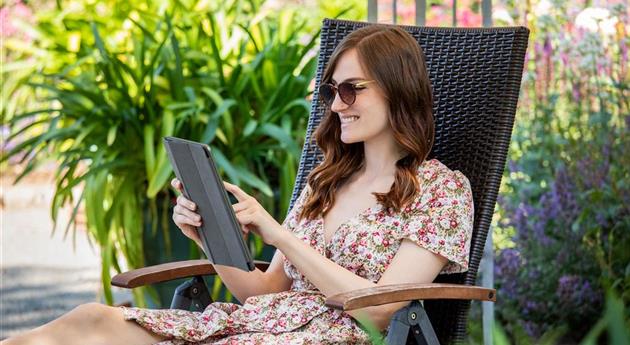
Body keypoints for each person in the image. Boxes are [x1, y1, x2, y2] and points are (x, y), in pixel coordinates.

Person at [2, 24, 473, 345]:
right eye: (331, 91)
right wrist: (210, 235)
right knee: (92, 319)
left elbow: (379, 312)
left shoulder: (439, 192)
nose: (336, 104)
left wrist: (280, 235)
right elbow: (262, 291)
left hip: (316, 338)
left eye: (351, 89)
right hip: (256, 324)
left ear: (397, 88)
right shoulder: (326, 183)